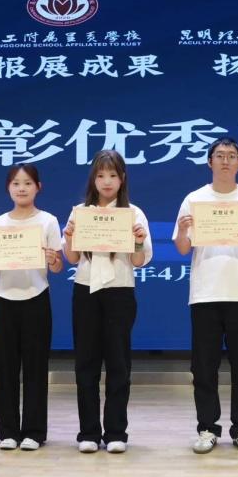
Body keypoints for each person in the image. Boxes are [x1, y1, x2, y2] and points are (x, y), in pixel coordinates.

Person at [173, 137, 238, 454]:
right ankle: (207, 428)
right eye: (219, 155)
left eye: (232, 156)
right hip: (205, 294)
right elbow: (182, 247)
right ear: (210, 162)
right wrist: (183, 229)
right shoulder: (194, 199)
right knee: (204, 367)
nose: (225, 160)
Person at [63, 150, 152, 453]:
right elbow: (72, 257)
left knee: (118, 364)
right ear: (93, 179)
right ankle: (88, 432)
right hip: (85, 290)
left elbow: (139, 261)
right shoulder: (80, 212)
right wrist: (69, 237)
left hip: (119, 292)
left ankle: (116, 432)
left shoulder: (133, 214)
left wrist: (137, 241)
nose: (107, 181)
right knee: (86, 364)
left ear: (122, 178)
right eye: (101, 175)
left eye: (113, 175)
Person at [0, 163, 63, 451]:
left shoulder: (48, 221)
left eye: (28, 183)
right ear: (8, 188)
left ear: (38, 187)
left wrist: (53, 259)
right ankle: (8, 431)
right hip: (4, 299)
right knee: (6, 368)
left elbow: (57, 266)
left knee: (36, 368)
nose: (22, 188)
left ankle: (34, 432)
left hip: (36, 298)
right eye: (16, 183)